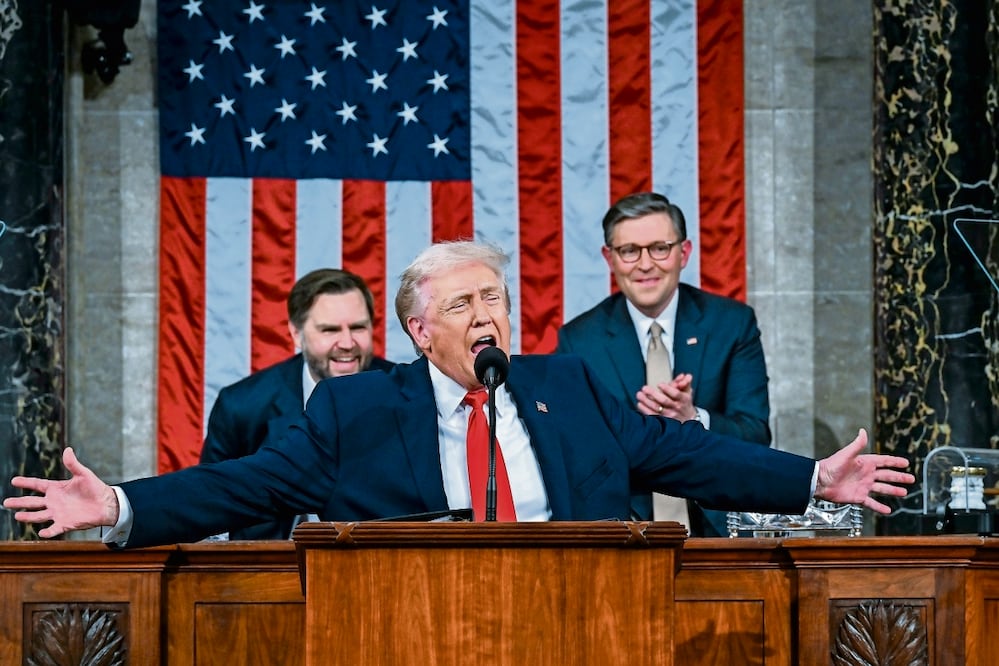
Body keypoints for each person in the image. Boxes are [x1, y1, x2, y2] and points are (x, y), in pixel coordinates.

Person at [4, 241, 913, 549]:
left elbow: (687, 456)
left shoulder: (569, 385)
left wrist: (808, 482)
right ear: (418, 331)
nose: (487, 314)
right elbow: (240, 486)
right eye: (464, 302)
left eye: (496, 298)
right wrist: (120, 503)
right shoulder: (357, 410)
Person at [557, 192, 769, 536]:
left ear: (683, 253)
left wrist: (692, 419)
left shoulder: (731, 324)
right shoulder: (579, 340)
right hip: (624, 531)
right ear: (609, 258)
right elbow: (572, 451)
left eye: (659, 248)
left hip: (718, 529)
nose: (645, 264)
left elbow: (756, 434)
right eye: (629, 251)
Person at [200, 268, 394, 540]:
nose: (347, 343)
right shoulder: (242, 406)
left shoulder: (406, 394)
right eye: (330, 330)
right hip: (270, 568)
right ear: (296, 333)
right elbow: (211, 503)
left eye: (358, 327)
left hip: (377, 564)